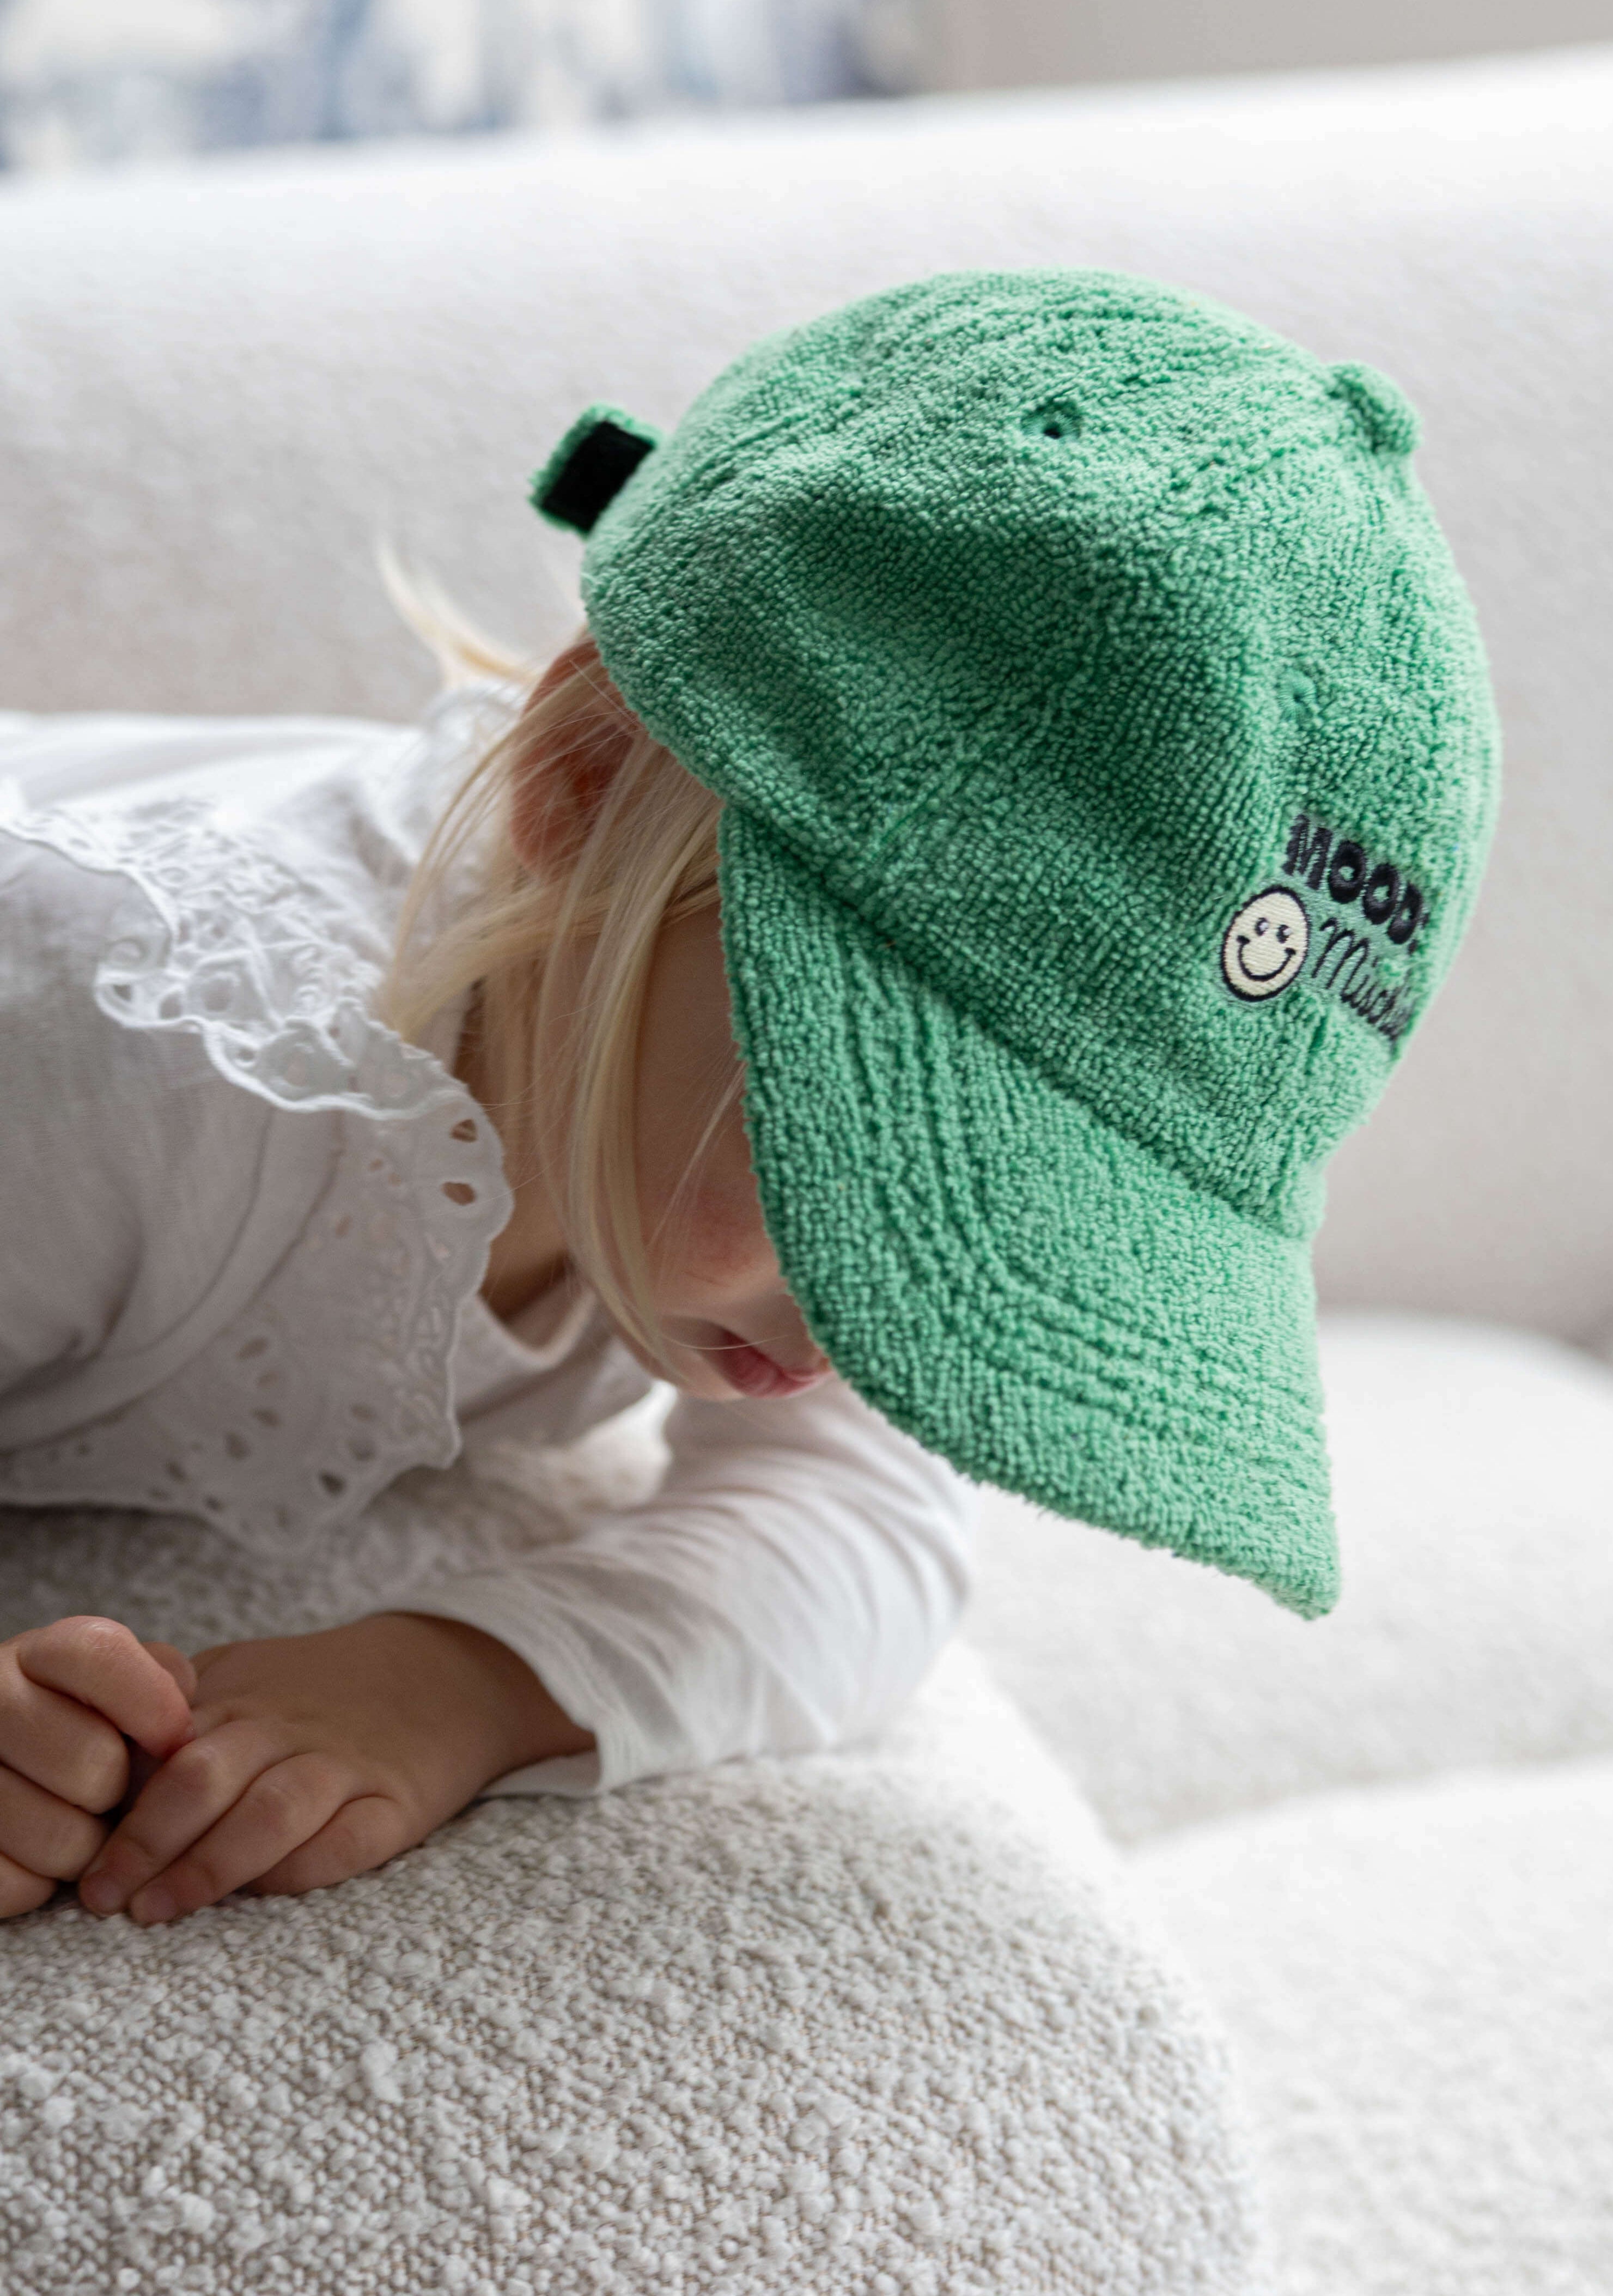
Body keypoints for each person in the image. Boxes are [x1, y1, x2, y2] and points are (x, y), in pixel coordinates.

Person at [0, 266, 1499, 1928]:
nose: (885, 1318)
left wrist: (468, 1679)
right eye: (885, 1162)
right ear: (580, 788)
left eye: (1039, 1244)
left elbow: (865, 1524)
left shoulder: (661, 1101)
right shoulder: (133, 1058)